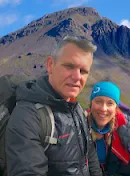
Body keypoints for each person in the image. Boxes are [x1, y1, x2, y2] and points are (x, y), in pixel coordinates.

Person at [5, 36, 103, 176]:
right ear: (50, 65)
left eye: (83, 71)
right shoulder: (28, 116)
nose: (77, 77)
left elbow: (90, 157)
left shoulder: (77, 109)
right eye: (69, 66)